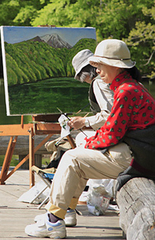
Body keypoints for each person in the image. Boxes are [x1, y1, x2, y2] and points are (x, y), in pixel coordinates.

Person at [25, 39, 155, 239]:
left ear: (114, 65)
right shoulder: (131, 87)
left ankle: (53, 221)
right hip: (142, 154)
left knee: (72, 158)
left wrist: (90, 144)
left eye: (99, 65)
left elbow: (112, 132)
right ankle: (63, 212)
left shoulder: (126, 91)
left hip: (138, 158)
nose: (97, 70)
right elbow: (114, 126)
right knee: (79, 156)